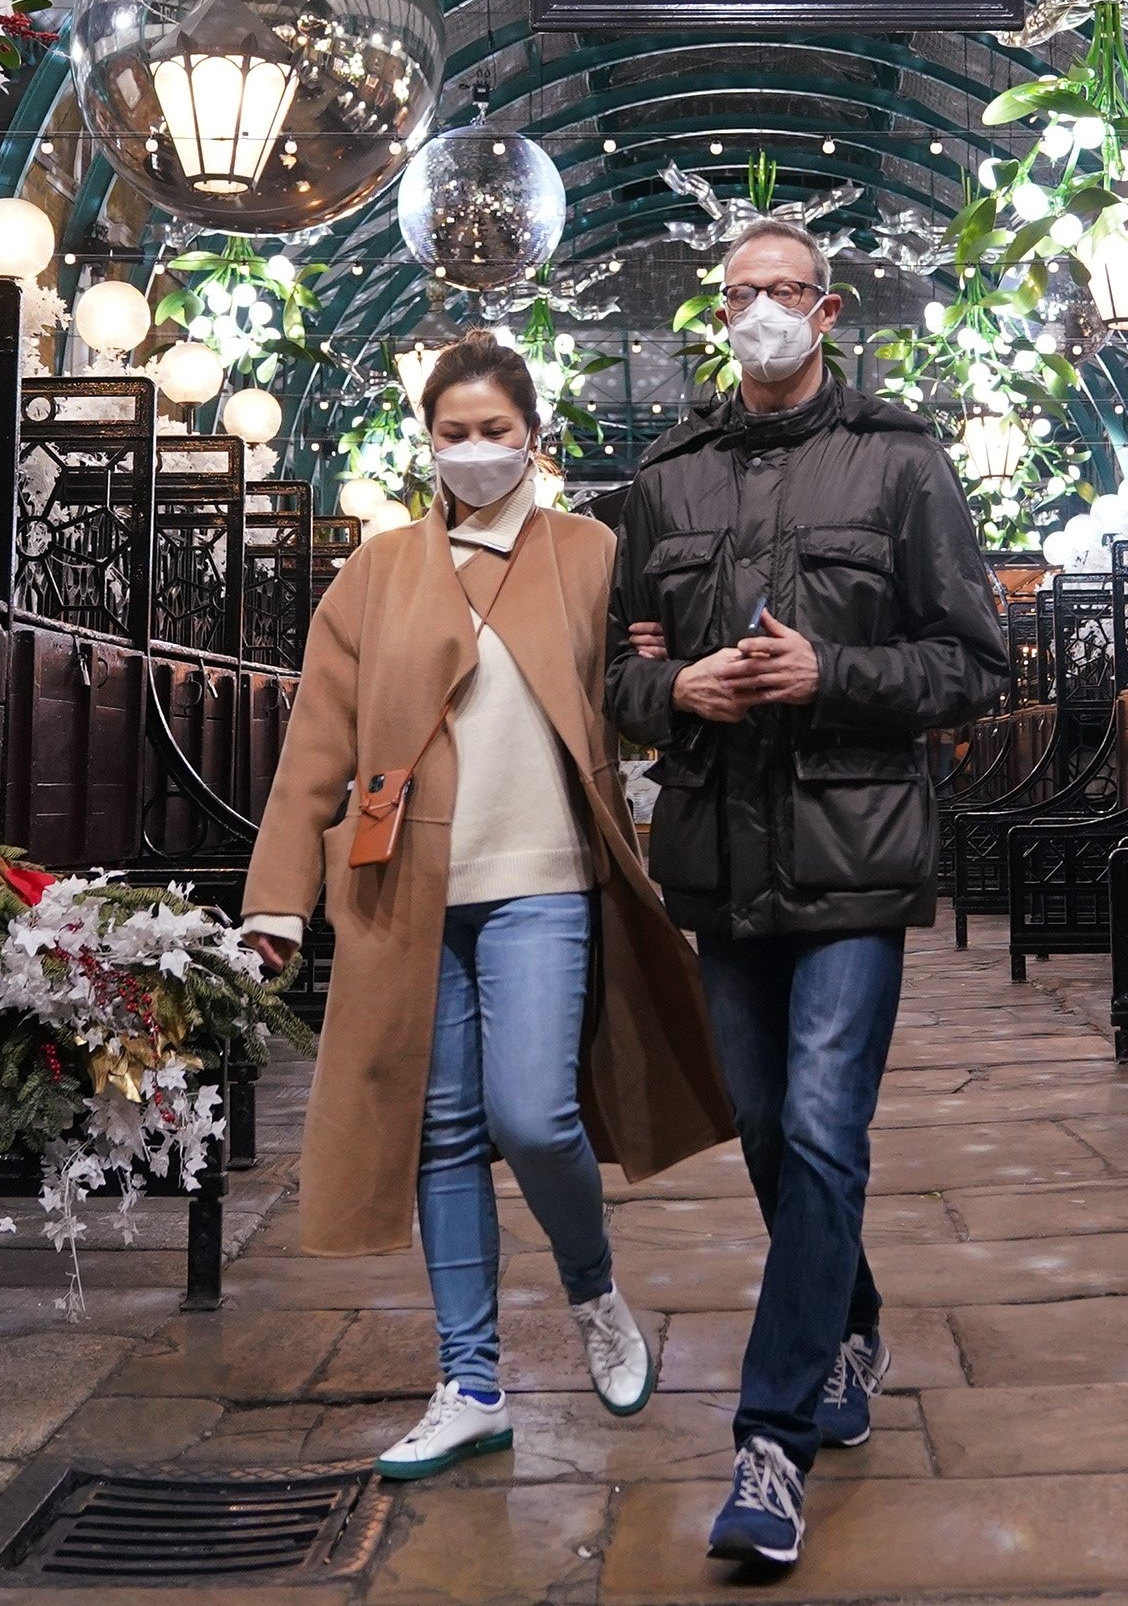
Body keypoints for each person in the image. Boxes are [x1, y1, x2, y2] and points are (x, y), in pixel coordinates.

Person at [241, 337, 734, 1481]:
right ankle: (469, 1384)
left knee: (532, 1115)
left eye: (493, 430)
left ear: (534, 438)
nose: (473, 451)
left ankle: (592, 1288)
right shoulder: (378, 572)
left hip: (547, 881)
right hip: (403, 893)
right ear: (428, 442)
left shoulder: (592, 553)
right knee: (444, 1136)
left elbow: (640, 691)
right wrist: (277, 904)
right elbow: (317, 740)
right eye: (452, 432)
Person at [606, 217, 1012, 1569]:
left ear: (828, 309)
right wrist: (677, 688)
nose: (763, 310)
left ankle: (768, 1441)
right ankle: (848, 1318)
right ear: (715, 316)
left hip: (854, 853)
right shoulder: (663, 479)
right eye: (741, 294)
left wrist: (829, 672)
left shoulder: (900, 460)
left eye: (786, 290)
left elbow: (972, 660)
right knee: (773, 1128)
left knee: (828, 1125)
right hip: (721, 854)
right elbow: (611, 673)